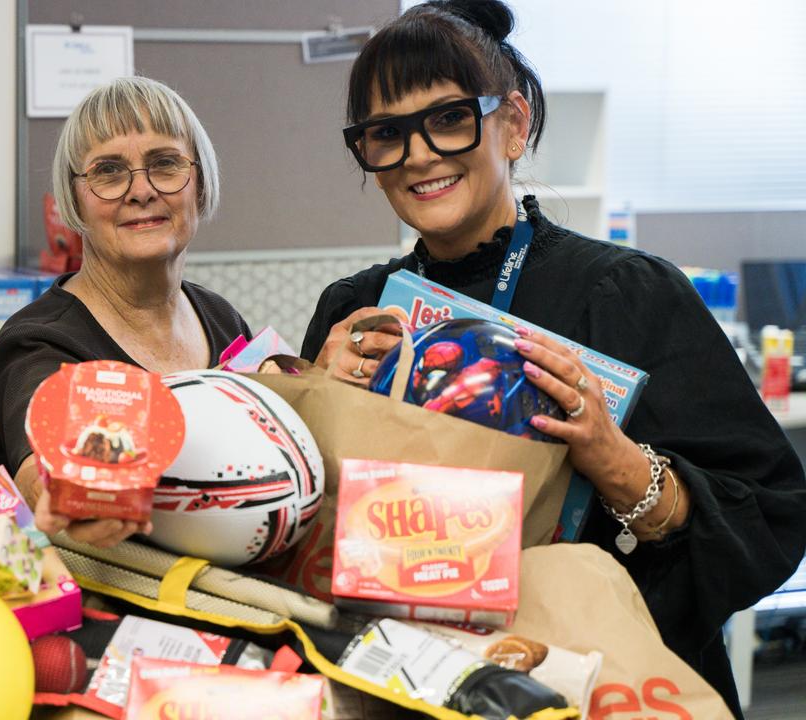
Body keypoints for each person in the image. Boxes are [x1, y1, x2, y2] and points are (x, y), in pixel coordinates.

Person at [300, 1, 806, 714]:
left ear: (512, 123)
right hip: (408, 687)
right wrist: (315, 403)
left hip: (605, 686)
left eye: (448, 119)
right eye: (386, 134)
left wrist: (623, 466)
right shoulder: (355, 313)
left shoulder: (628, 295)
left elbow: (772, 519)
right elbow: (291, 535)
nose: (417, 154)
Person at [0, 77, 250, 549]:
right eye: (108, 172)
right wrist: (70, 496)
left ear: (199, 183)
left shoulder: (221, 319)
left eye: (165, 164)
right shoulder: (39, 344)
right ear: (75, 200)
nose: (140, 191)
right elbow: (42, 469)